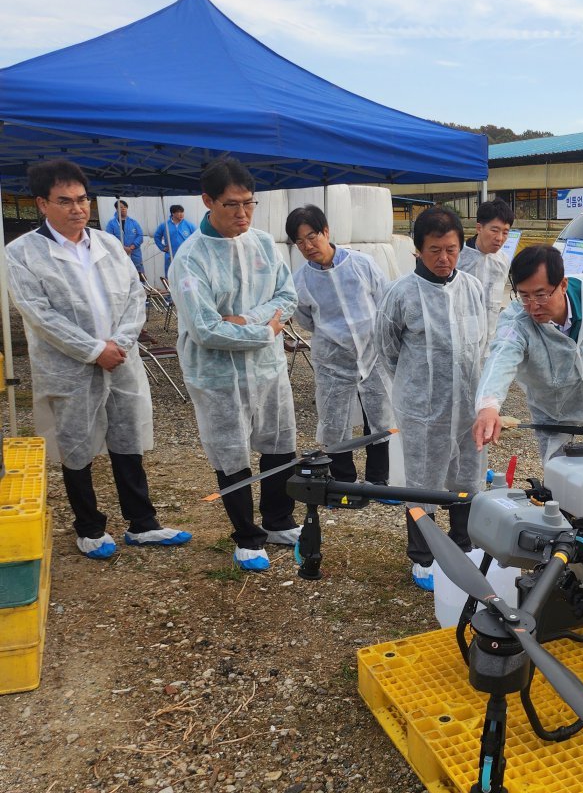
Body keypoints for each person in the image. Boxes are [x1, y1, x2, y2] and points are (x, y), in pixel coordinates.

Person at [6, 159, 190, 558]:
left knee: (128, 440)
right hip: (68, 368)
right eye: (65, 201)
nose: (77, 208)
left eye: (83, 199)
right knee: (76, 447)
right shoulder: (21, 253)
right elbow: (38, 314)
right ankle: (89, 527)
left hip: (120, 360)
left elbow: (134, 296)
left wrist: (118, 344)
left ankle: (142, 524)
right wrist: (93, 350)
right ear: (42, 204)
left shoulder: (106, 243)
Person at [172, 157, 299, 572]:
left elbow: (288, 297)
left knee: (279, 445)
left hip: (267, 368)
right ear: (207, 201)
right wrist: (266, 330)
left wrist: (248, 321)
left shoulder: (263, 244)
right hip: (218, 374)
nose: (242, 214)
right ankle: (247, 535)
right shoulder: (190, 260)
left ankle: (279, 519)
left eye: (249, 203)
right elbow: (206, 329)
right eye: (231, 205)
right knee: (231, 453)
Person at [375, 207, 488, 590]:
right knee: (422, 482)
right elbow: (387, 350)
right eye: (435, 250)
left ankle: (462, 545)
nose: (444, 259)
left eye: (452, 249)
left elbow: (481, 343)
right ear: (418, 252)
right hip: (424, 409)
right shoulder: (401, 294)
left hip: (468, 405)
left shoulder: (472, 288)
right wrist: (417, 389)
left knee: (467, 478)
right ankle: (423, 556)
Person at [472, 244, 583, 461]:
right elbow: (500, 357)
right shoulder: (517, 321)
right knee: (557, 474)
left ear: (563, 285)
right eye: (524, 296)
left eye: (541, 295)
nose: (533, 306)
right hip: (553, 410)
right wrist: (488, 406)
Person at [287, 204, 395, 486]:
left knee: (379, 418)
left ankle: (378, 481)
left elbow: (384, 302)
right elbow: (306, 320)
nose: (307, 246)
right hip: (332, 361)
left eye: (312, 237)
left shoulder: (362, 264)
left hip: (372, 355)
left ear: (326, 231)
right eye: (299, 242)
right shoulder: (300, 281)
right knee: (335, 422)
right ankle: (343, 480)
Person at [456, 199, 514, 339]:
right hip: (461, 339)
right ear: (479, 228)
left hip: (489, 342)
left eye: (505, 232)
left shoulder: (503, 261)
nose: (499, 238)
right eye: (494, 230)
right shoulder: (457, 257)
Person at [105, 199, 145, 280]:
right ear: (116, 209)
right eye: (121, 207)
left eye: (125, 207)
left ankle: (143, 289)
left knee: (138, 272)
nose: (123, 209)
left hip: (135, 253)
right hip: (119, 253)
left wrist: (132, 247)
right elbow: (109, 239)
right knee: (122, 273)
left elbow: (140, 235)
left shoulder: (134, 222)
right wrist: (122, 248)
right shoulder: (111, 224)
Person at [153, 204, 197, 276]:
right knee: (170, 274)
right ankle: (169, 287)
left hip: (185, 256)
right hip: (170, 255)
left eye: (182, 212)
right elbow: (156, 236)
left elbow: (197, 237)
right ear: (173, 213)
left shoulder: (189, 225)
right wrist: (162, 247)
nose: (181, 214)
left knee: (185, 275)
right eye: (179, 212)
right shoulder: (165, 225)